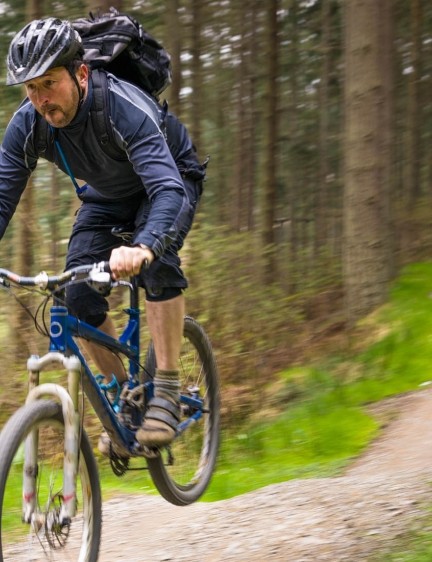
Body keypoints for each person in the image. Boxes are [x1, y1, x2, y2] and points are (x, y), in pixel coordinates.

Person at [2, 18, 205, 453]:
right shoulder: (28, 126)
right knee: (76, 293)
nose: (40, 100)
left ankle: (166, 387)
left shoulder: (121, 106)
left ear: (79, 74)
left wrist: (145, 245)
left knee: (159, 262)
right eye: (30, 89)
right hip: (108, 197)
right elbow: (2, 197)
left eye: (48, 84)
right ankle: (124, 397)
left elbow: (167, 190)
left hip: (170, 180)